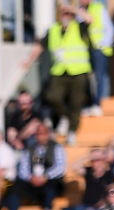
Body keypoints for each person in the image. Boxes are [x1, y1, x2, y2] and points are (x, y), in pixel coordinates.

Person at [39, 5, 92, 143]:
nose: (66, 16)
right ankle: (66, 117)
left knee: (76, 103)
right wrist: (27, 61)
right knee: (52, 97)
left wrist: (75, 10)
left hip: (79, 71)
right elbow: (39, 46)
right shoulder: (53, 30)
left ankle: (72, 132)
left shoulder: (79, 27)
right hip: (59, 71)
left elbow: (90, 19)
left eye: (68, 14)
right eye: (64, 13)